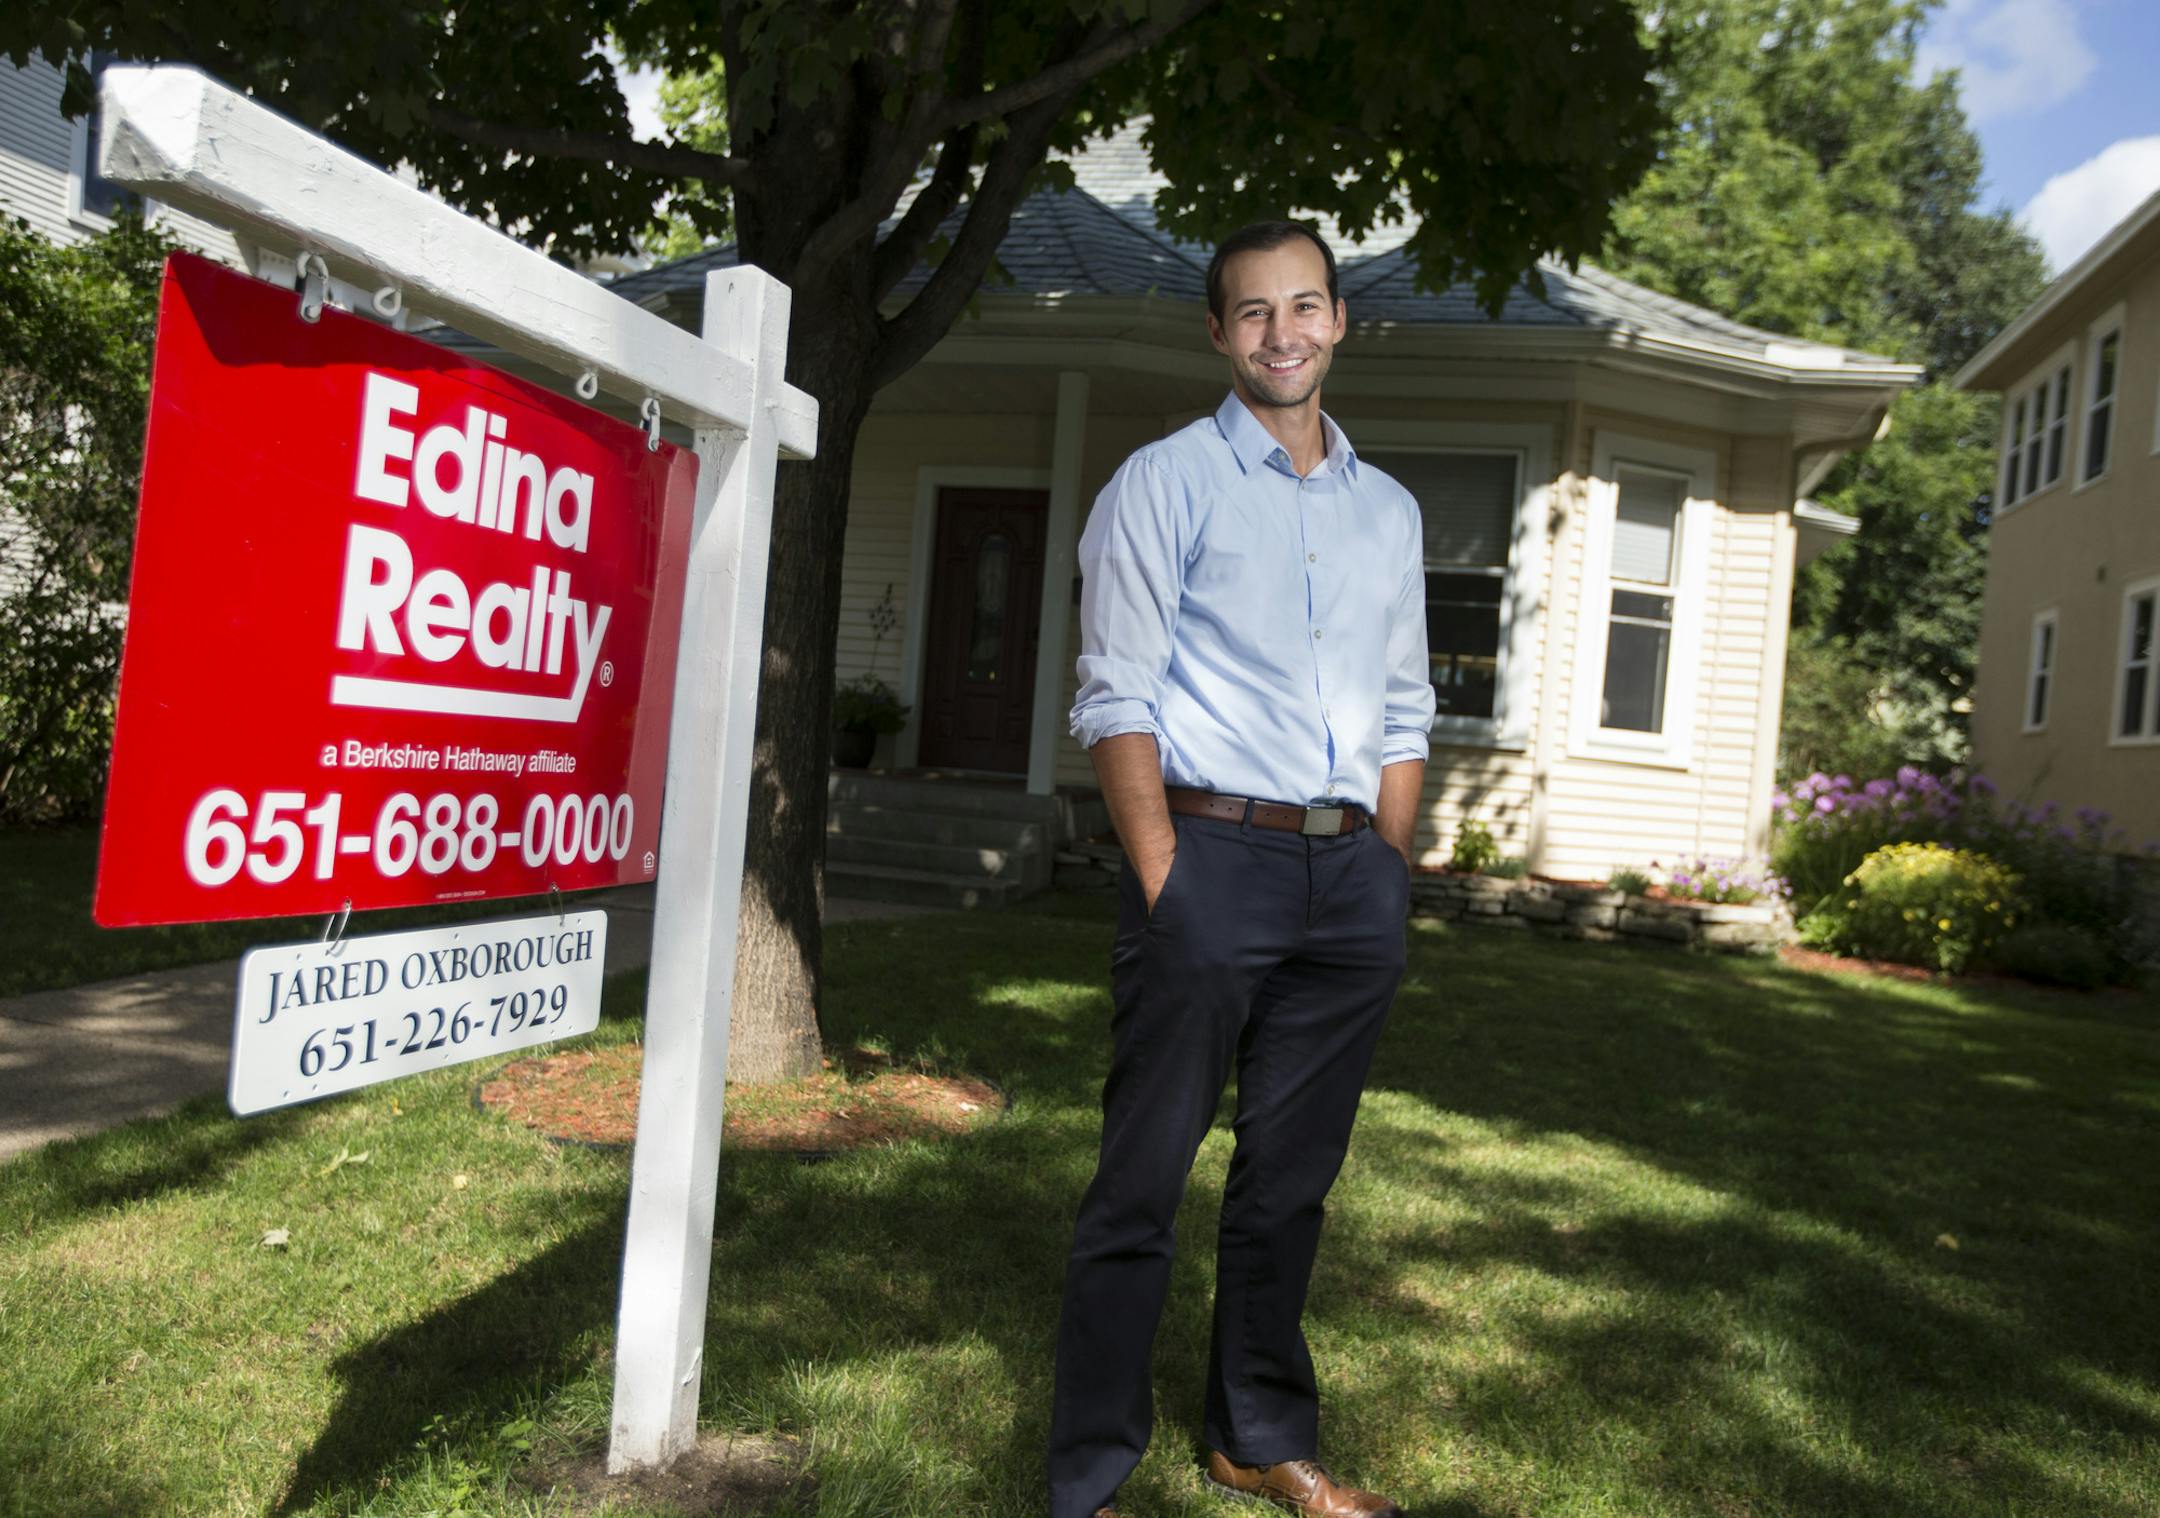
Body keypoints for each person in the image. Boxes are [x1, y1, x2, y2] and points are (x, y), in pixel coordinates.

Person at [1047, 219, 1434, 1518]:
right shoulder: (1162, 483)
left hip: (1348, 880)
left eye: (1305, 306)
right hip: (1208, 855)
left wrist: (1387, 867)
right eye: (1254, 312)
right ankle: (1089, 1474)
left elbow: (1403, 706)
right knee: (1142, 1182)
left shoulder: (1391, 512)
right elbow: (1115, 696)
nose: (1283, 333)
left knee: (1291, 1182)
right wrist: (1165, 872)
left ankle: (1257, 1432)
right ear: (1220, 334)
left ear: (1340, 321)